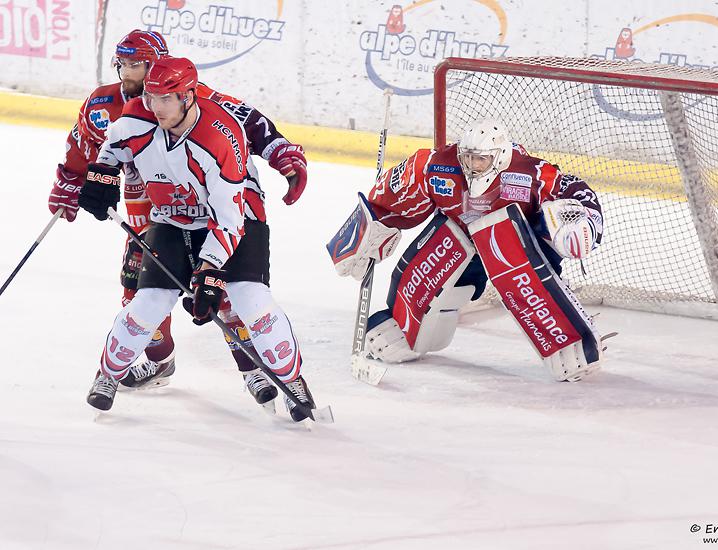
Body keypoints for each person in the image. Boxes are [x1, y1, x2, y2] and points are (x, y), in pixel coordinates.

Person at [47, 30, 308, 406]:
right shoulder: (105, 105)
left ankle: (252, 368)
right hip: (153, 212)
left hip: (209, 208)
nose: (127, 73)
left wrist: (281, 152)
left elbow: (250, 123)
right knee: (138, 292)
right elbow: (86, 145)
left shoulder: (197, 102)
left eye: (136, 64)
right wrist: (76, 182)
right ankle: (158, 361)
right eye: (122, 63)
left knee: (225, 294)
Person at [328, 119, 605, 381]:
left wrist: (585, 222)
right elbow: (391, 196)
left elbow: (574, 190)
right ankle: (406, 325)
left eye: (481, 159)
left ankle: (567, 335)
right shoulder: (437, 165)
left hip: (519, 247)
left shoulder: (530, 173)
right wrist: (370, 231)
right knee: (443, 242)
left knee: (514, 256)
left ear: (499, 157)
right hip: (465, 243)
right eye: (468, 157)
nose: (473, 165)